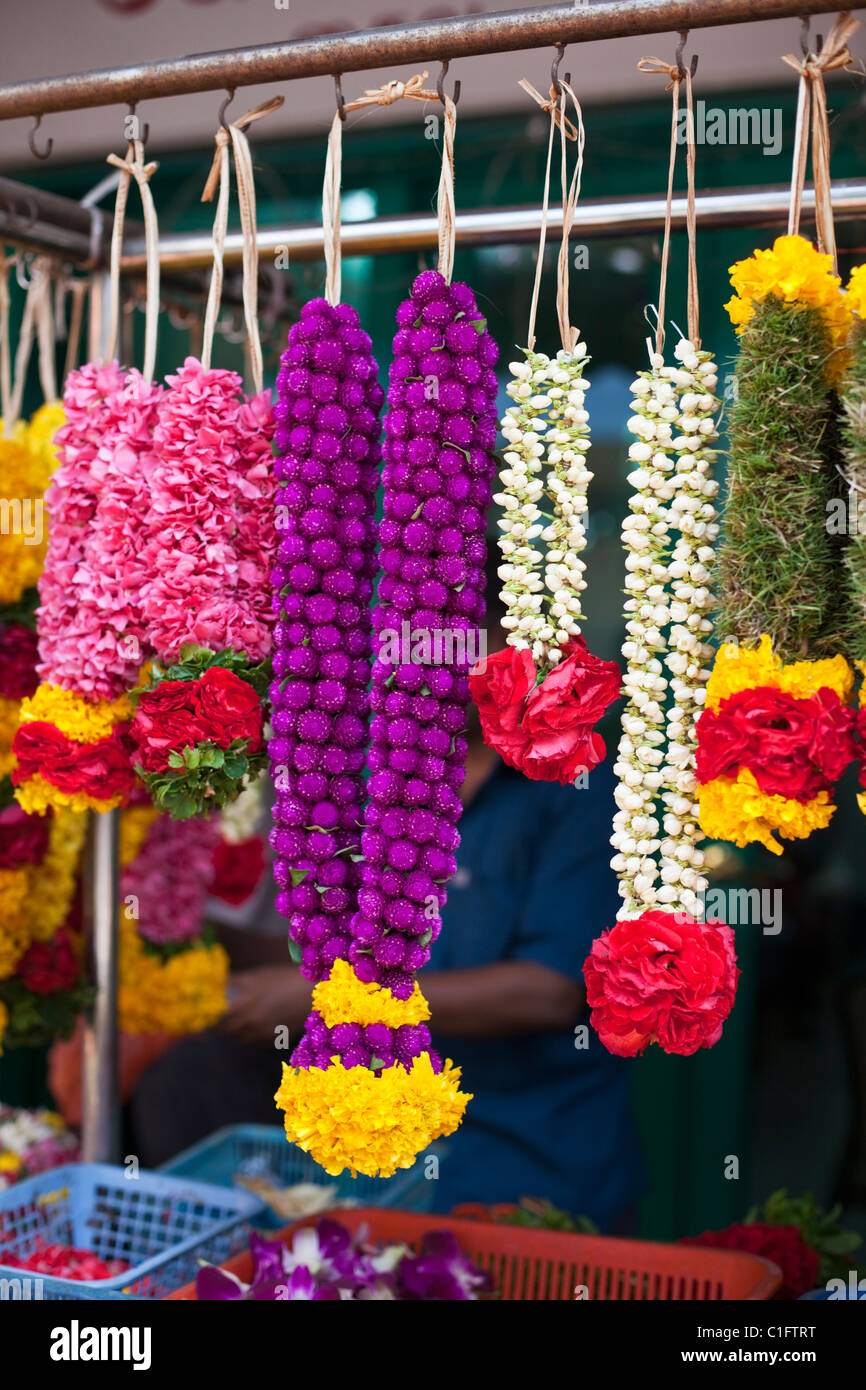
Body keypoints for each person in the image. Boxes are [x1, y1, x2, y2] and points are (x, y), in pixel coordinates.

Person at [130, 621, 643, 1232]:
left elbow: (550, 991)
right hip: (384, 1156)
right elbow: (354, 959)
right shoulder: (392, 784)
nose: (412, 661)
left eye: (443, 639)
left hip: (529, 1159)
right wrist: (202, 940)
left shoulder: (573, 787)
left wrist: (335, 1000)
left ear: (509, 652)